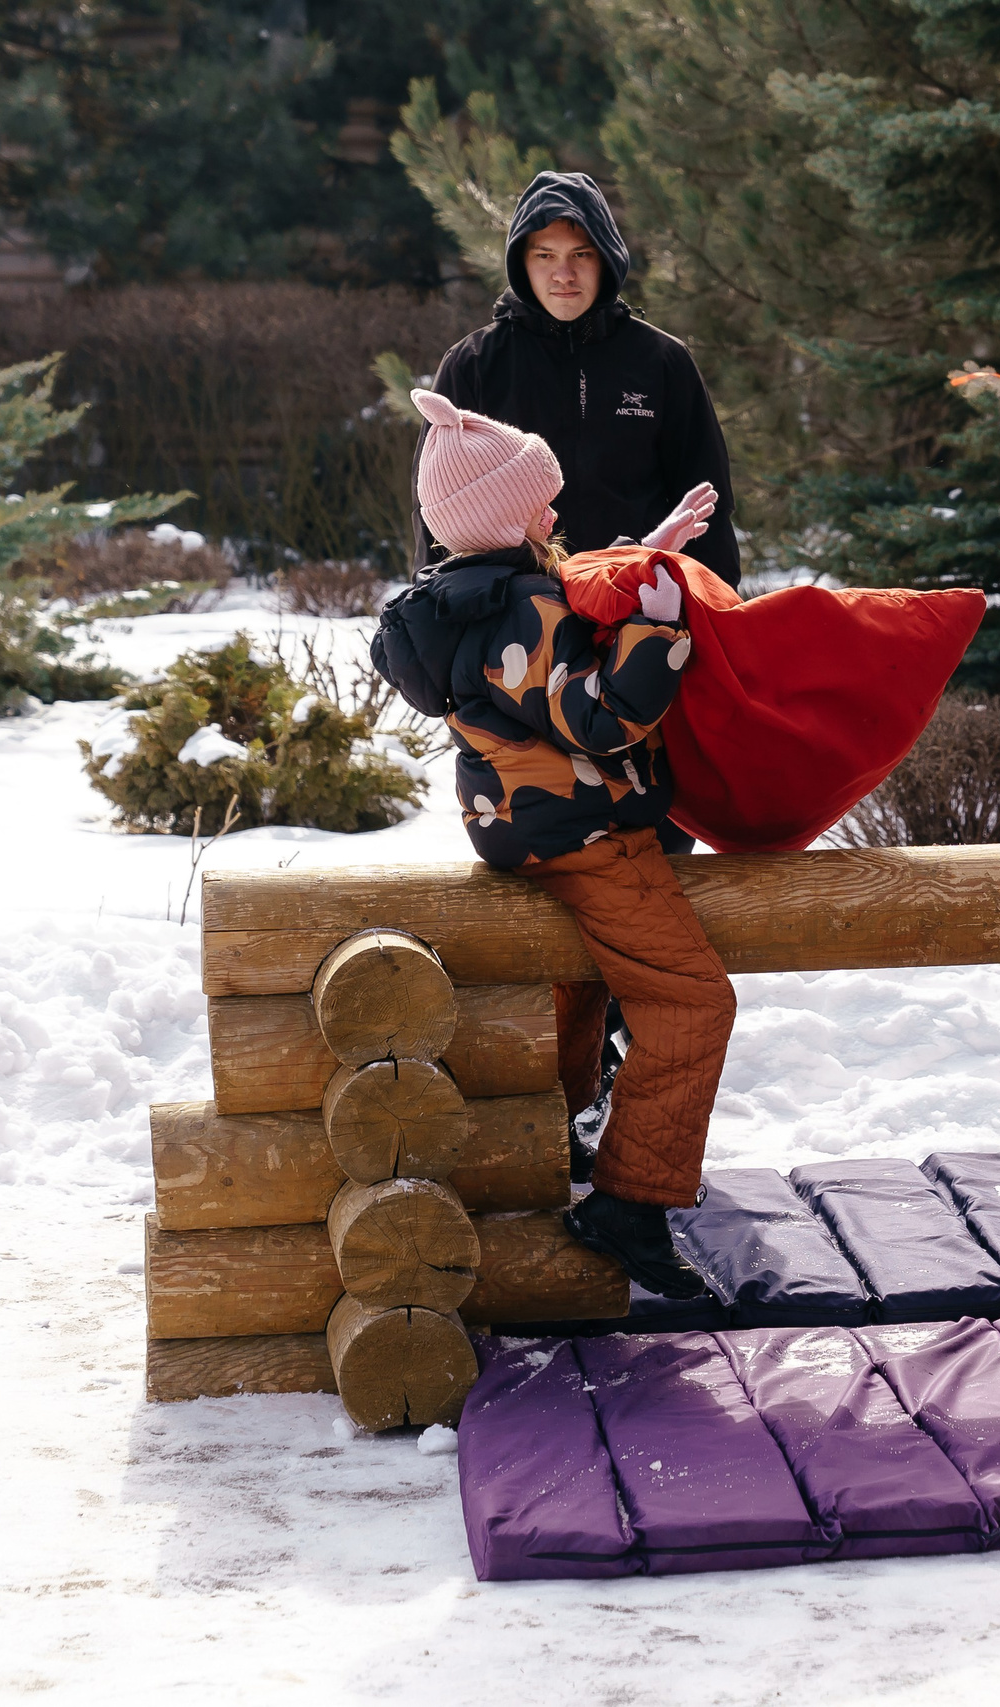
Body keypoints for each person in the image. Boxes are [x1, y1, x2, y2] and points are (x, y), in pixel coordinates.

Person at [375, 388, 732, 1298]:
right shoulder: (522, 610)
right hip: (589, 829)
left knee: (575, 995)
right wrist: (658, 628)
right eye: (543, 500)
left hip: (524, 825)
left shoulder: (472, 597)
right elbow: (601, 717)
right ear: (506, 517)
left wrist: (647, 554)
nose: (558, 511)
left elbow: (554, 638)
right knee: (694, 1005)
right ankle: (630, 1201)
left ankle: (558, 1143)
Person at [416, 169, 741, 592]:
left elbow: (705, 502)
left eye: (581, 255)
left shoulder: (662, 361)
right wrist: (431, 615)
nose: (563, 274)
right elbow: (436, 509)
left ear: (607, 257)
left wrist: (719, 609)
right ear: (522, 262)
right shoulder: (474, 364)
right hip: (516, 617)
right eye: (545, 256)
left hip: (640, 606)